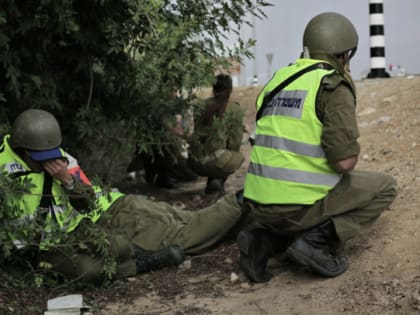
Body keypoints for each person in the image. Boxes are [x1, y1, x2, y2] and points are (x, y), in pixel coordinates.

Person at [236, 12, 398, 283]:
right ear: (344, 54)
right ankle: (316, 242)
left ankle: (263, 241)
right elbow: (344, 162)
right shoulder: (331, 85)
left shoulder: (277, 80)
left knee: (294, 204)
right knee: (385, 186)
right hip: (296, 208)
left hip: (258, 207)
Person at [0, 109, 244, 283]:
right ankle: (240, 210)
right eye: (42, 159)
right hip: (79, 233)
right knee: (182, 229)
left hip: (110, 210)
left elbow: (88, 202)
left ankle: (242, 206)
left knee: (184, 225)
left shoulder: (57, 157)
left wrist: (66, 179)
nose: (50, 161)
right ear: (24, 151)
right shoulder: (4, 168)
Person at [187, 74, 245, 194]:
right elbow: (235, 144)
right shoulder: (235, 109)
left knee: (215, 154)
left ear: (213, 89)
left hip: (194, 162)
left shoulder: (199, 106)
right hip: (215, 162)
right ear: (230, 90)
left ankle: (214, 179)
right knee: (238, 157)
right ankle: (217, 179)